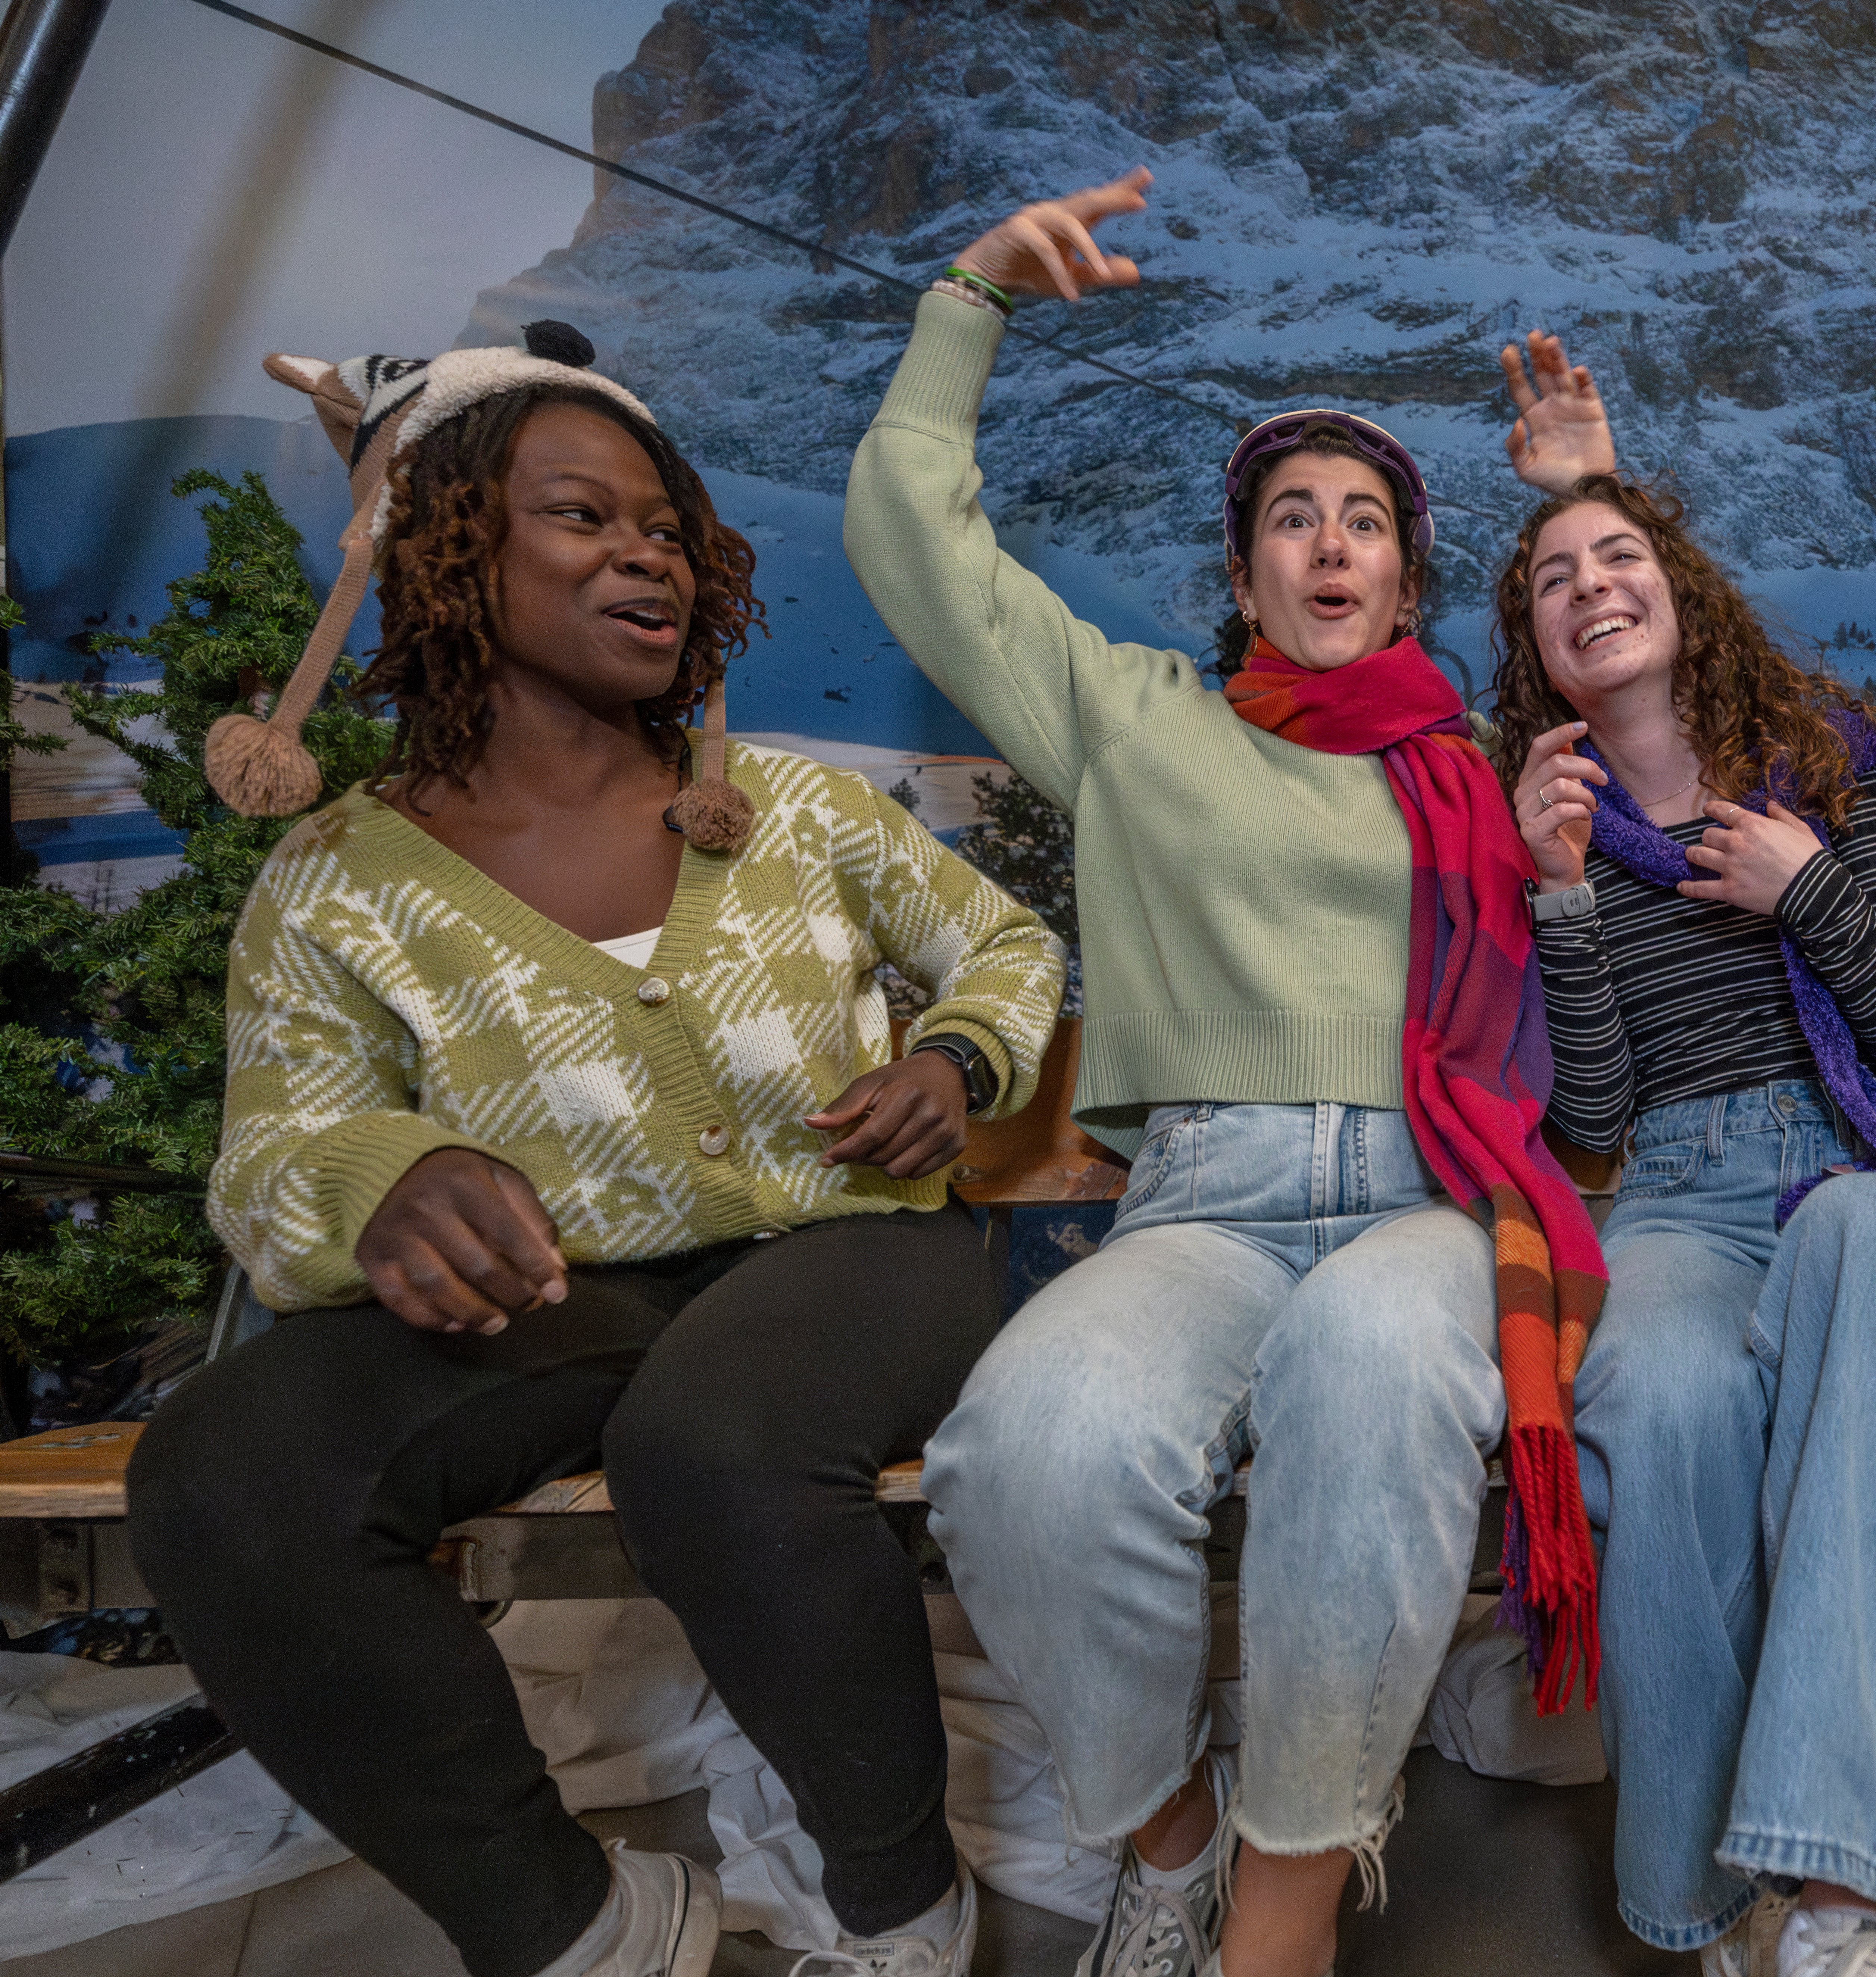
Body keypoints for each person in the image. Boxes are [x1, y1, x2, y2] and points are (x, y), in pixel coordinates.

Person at [128, 324, 1065, 1977]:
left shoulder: (791, 808)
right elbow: (273, 1149)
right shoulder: (340, 876)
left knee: (718, 1440)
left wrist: (954, 1051)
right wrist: (384, 1174)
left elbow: (1009, 950)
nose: (645, 550)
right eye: (582, 515)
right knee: (227, 1466)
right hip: (580, 1285)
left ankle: (899, 1895)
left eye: (664, 528)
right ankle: (574, 1923)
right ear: (443, 545)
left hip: (851, 1244)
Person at [844, 173, 1608, 1977]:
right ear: (1244, 564)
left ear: (1412, 572)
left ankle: (1281, 1910)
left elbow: (1656, 683)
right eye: (1291, 518)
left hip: (1437, 1194)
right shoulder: (1136, 719)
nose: (1330, 546)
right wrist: (977, 294)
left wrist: (1579, 497)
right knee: (1030, 1442)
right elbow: (913, 538)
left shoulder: (1490, 762)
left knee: (1368, 1363)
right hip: (1206, 1195)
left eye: (1365, 521)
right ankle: (1167, 1835)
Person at [1493, 345, 1876, 1977]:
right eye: (1557, 582)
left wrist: (1808, 890)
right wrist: (1563, 894)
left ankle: (1840, 1902)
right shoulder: (1565, 829)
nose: (1594, 588)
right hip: (1688, 1193)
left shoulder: (1844, 772)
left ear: (1687, 592)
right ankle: (1703, 1906)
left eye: (1623, 557)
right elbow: (1593, 1123)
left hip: (1868, 1163)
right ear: (1539, 656)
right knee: (1663, 1393)